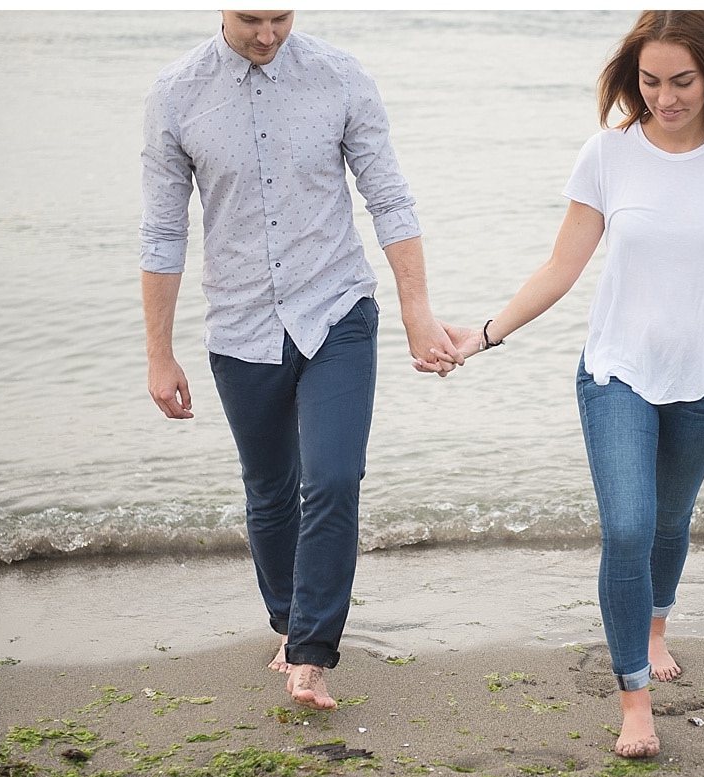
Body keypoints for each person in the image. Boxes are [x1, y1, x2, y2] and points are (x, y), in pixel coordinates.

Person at [434, 10, 704, 757]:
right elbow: (563, 265)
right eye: (651, 81)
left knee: (668, 523)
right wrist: (487, 334)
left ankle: (657, 619)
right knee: (628, 526)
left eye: (682, 81)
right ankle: (635, 696)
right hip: (617, 373)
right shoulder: (608, 154)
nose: (665, 97)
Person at [139, 10, 462, 710]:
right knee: (270, 489)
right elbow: (164, 231)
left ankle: (312, 654)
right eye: (251, 19)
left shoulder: (340, 77)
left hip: (337, 310)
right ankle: (288, 623)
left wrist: (416, 310)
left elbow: (390, 199)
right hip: (240, 326)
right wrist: (158, 355)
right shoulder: (176, 94)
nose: (267, 34)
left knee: (337, 476)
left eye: (280, 16)